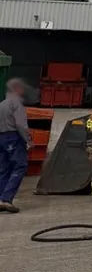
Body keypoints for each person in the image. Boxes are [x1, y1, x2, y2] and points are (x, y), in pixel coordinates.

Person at [0, 79, 33, 213]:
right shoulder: (16, 103)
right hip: (13, 137)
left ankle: (0, 198)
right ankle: (6, 199)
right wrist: (28, 140)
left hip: (1, 138)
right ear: (17, 89)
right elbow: (20, 124)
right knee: (20, 166)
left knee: (4, 169)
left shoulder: (1, 104)